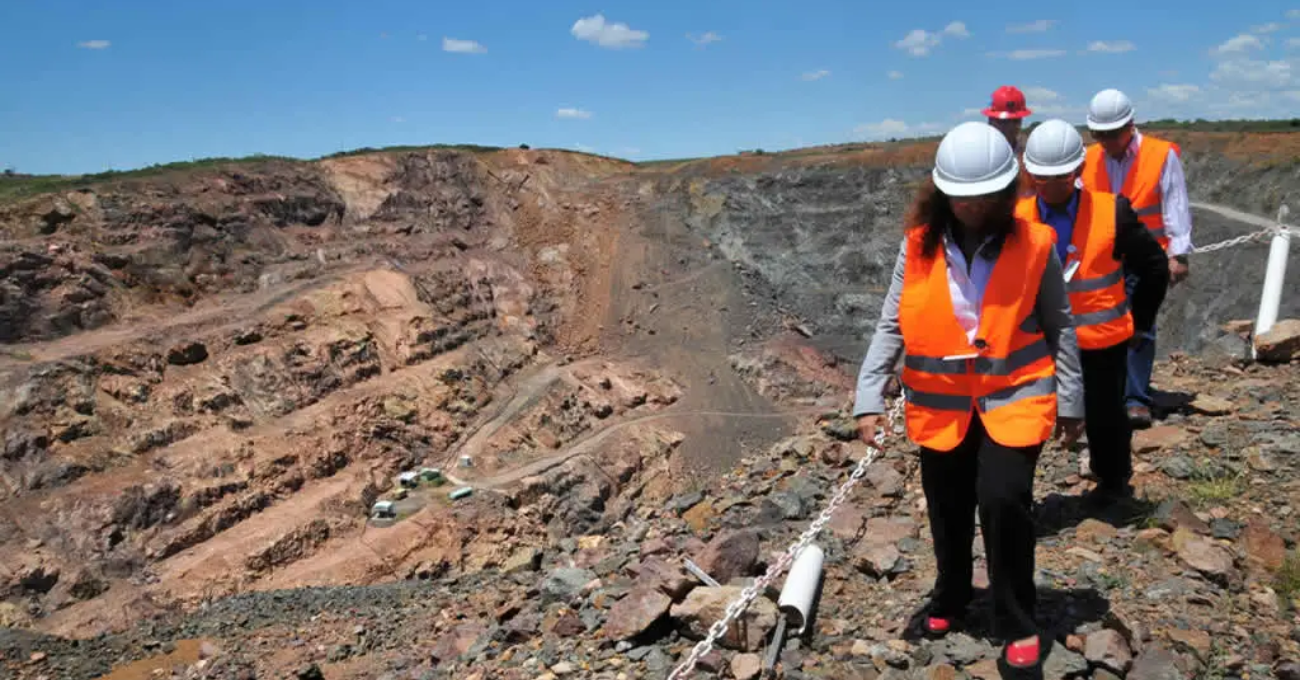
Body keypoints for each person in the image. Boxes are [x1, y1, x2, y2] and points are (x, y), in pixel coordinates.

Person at [853, 121, 1084, 673]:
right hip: (942, 407)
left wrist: (1072, 400)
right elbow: (892, 324)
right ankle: (952, 595)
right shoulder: (917, 247)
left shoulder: (1036, 245)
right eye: (961, 197)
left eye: (984, 197)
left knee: (1004, 503)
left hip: (1016, 400)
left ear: (1006, 192)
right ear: (942, 193)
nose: (973, 208)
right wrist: (868, 395)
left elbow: (1062, 324)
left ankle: (1017, 619)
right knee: (948, 507)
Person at [1016, 119, 1170, 501]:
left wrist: (1141, 322)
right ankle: (1015, 494)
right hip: (1040, 343)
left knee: (1105, 415)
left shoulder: (1112, 212)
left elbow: (1154, 267)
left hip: (1100, 342)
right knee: (1027, 415)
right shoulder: (1016, 218)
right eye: (1041, 177)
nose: (1049, 186)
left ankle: (1113, 482)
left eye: (1060, 177)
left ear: (1079, 171)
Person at [1079, 88, 1194, 428]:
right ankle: (1105, 393)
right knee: (1102, 324)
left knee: (1140, 324)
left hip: (1148, 257)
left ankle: (1136, 399)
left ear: (1130, 125)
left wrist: (1179, 253)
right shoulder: (1089, 158)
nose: (1106, 141)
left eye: (1112, 134)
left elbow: (1175, 204)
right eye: (1099, 135)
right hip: (1103, 256)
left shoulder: (1160, 155)